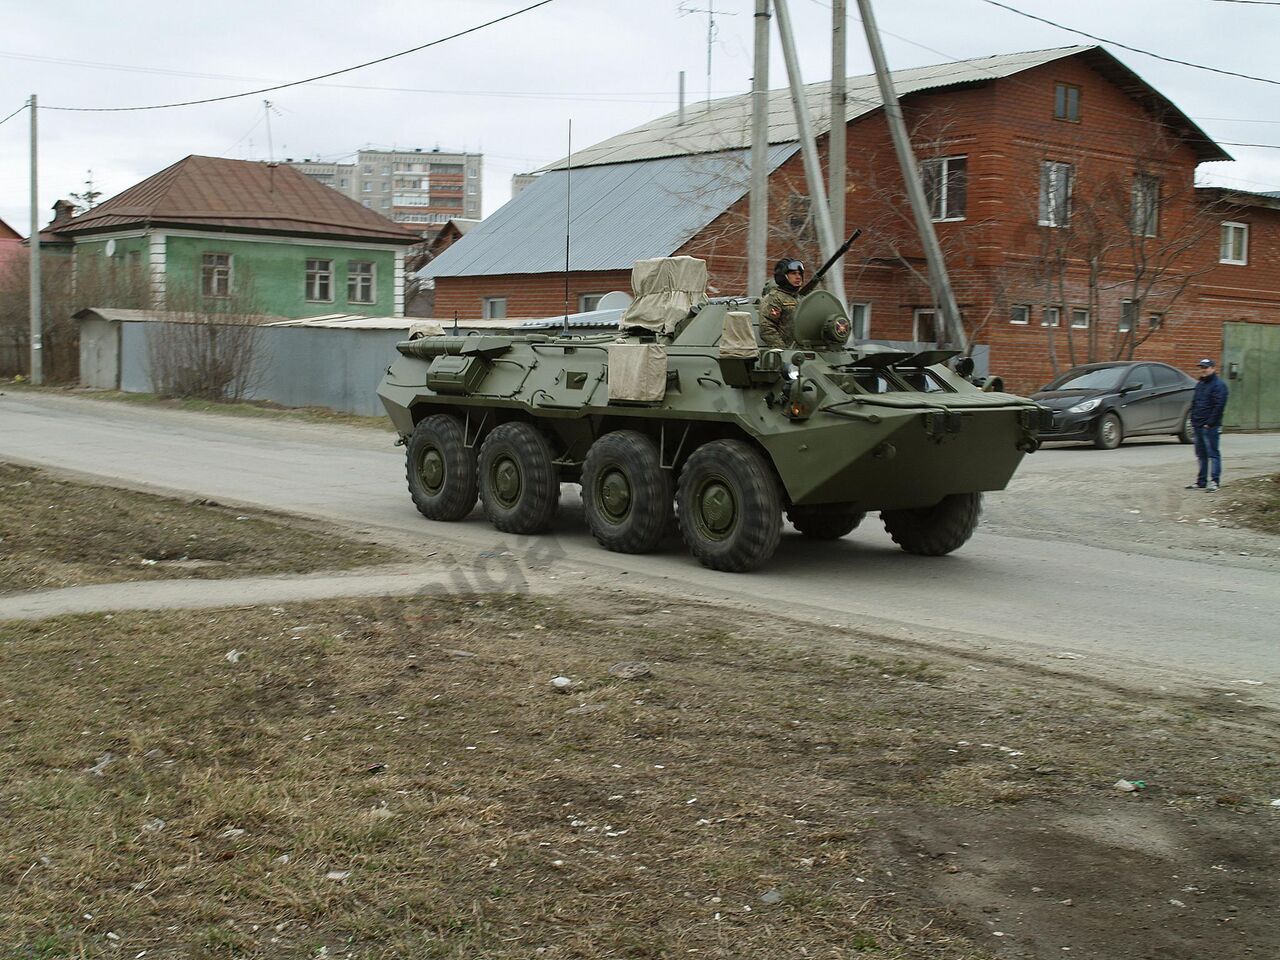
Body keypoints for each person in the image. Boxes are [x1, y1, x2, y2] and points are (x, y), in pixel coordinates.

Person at [1186, 357, 1229, 492]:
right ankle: (1201, 481)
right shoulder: (1201, 384)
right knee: (1201, 454)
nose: (1203, 370)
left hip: (1210, 426)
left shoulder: (1219, 385)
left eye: (1206, 367)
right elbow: (1195, 403)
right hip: (1198, 424)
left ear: (1213, 368)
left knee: (1213, 453)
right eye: (1201, 368)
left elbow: (1219, 406)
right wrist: (1193, 420)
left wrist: (1210, 423)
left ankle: (1215, 482)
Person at [759, 258, 805, 349]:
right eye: (793, 273)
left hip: (805, 352)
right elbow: (767, 329)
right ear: (783, 276)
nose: (798, 277)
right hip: (786, 355)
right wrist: (783, 352)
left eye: (800, 273)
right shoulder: (774, 298)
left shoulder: (801, 298)